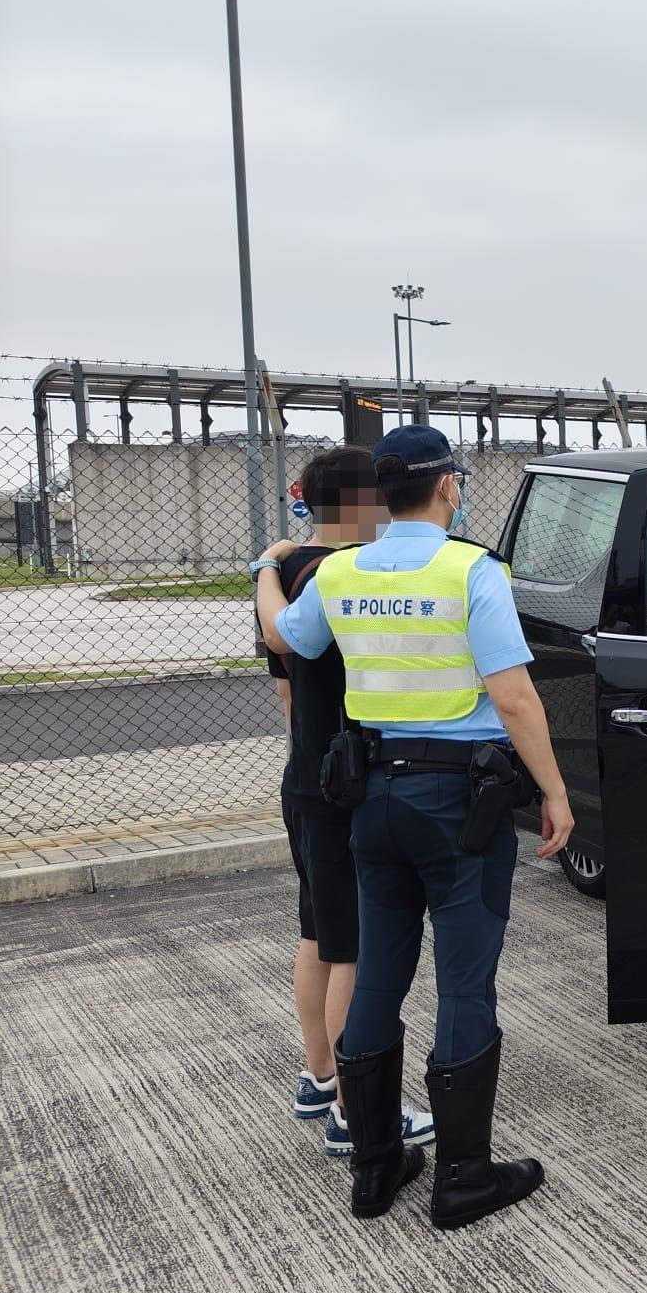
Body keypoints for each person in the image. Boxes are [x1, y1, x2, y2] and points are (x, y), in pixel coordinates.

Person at [256, 425, 574, 1230]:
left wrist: (266, 569)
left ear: (381, 497)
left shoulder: (337, 572)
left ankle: (374, 1168)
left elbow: (288, 641)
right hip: (459, 806)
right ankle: (463, 1176)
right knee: (465, 981)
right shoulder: (472, 568)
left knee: (381, 973)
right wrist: (556, 794)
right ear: (448, 487)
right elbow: (514, 698)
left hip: (372, 803)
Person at [260, 447, 433, 1158]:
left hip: (306, 775)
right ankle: (355, 1114)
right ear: (364, 500)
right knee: (356, 947)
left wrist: (266, 567)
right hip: (349, 782)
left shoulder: (290, 571)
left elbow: (285, 682)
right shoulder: (350, 572)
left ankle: (320, 1076)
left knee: (319, 934)